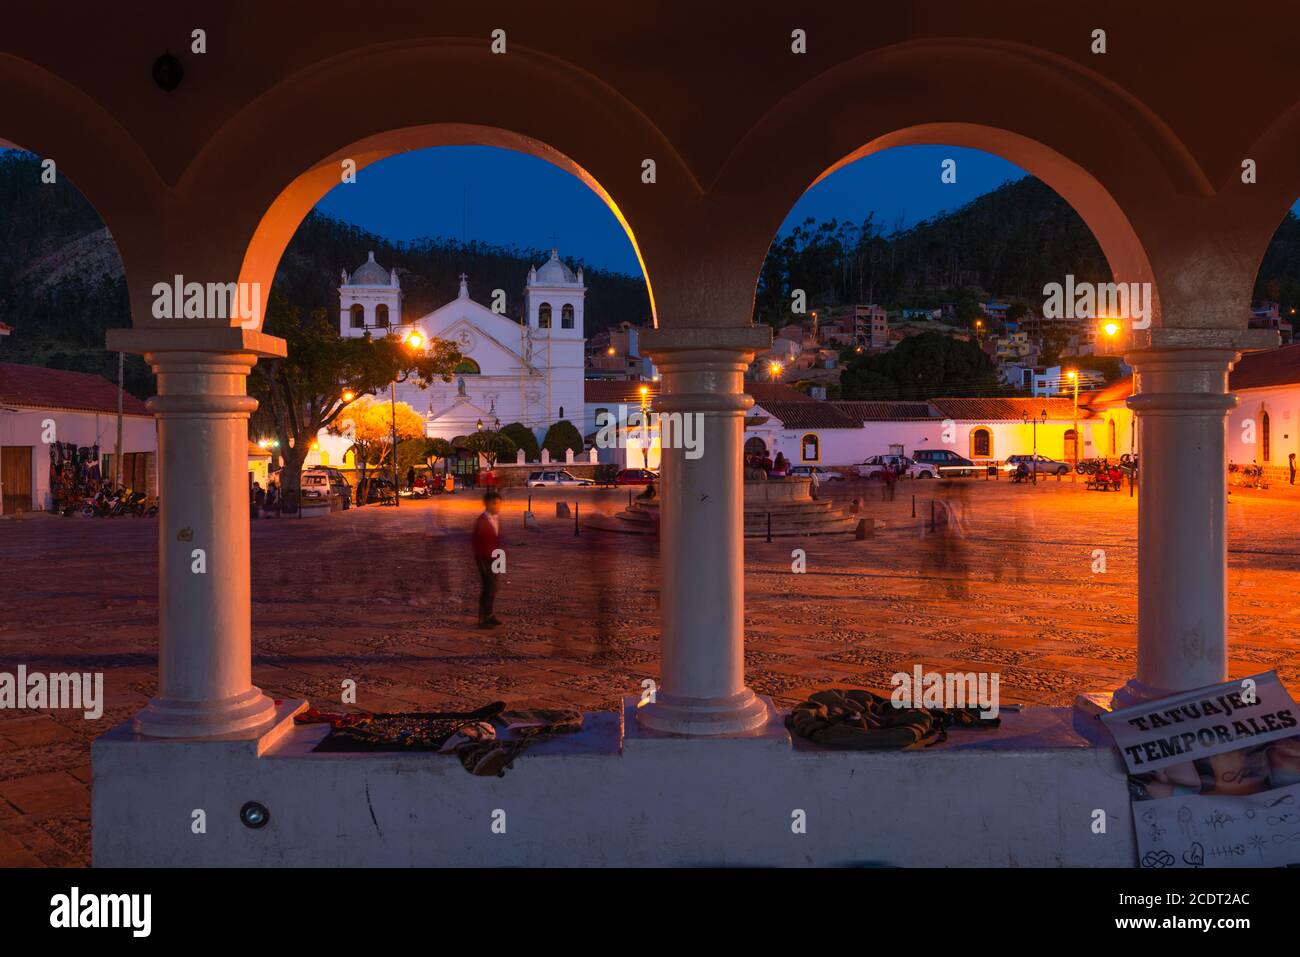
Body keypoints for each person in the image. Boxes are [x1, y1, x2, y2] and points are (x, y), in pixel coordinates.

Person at [472, 491, 504, 628]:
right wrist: (481, 562)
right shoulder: (481, 521)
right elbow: (477, 544)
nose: (498, 507)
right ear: (487, 504)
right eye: (495, 503)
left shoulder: (495, 518)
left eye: (499, 504)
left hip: (496, 556)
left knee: (494, 587)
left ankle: (490, 614)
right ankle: (482, 618)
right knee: (487, 588)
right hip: (485, 559)